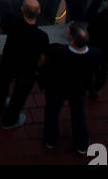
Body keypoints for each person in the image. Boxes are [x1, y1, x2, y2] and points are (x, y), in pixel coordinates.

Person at [41, 20, 102, 155]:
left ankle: (50, 139)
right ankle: (81, 143)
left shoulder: (58, 52)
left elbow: (47, 67)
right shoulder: (96, 54)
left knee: (52, 112)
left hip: (57, 89)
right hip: (79, 89)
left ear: (71, 40)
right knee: (78, 114)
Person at [0, 0, 49, 129]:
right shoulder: (42, 36)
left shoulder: (12, 20)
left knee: (2, 84)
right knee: (19, 96)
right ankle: (9, 121)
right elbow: (43, 57)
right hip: (27, 68)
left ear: (22, 9)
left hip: (9, 60)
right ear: (38, 12)